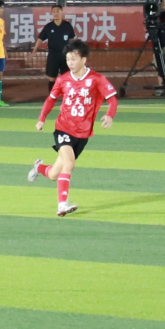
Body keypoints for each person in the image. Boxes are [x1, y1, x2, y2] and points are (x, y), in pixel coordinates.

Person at [29, 39, 118, 217]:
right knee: (69, 163)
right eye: (68, 59)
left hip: (83, 133)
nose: (70, 62)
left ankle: (38, 167)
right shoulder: (62, 80)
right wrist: (42, 118)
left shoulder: (97, 79)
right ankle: (62, 205)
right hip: (63, 128)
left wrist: (110, 115)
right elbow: (51, 99)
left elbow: (113, 99)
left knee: (54, 174)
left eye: (73, 59)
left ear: (84, 59)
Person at [31, 5, 76, 91]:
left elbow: (72, 39)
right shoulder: (49, 27)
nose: (56, 13)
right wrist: (34, 50)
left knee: (66, 77)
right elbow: (40, 39)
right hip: (53, 55)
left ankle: (67, 96)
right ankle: (52, 96)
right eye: (54, 12)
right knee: (52, 78)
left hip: (65, 55)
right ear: (51, 13)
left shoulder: (67, 25)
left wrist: (74, 51)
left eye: (58, 11)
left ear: (61, 12)